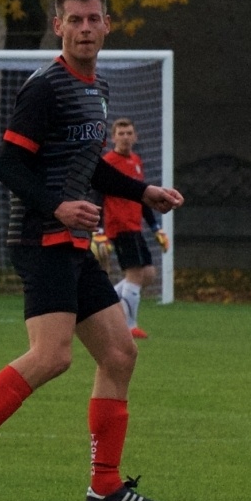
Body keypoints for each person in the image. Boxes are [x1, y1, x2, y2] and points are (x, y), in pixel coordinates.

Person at [0, 0, 184, 501]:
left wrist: (145, 192)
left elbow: (93, 171)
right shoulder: (45, 87)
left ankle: (105, 485)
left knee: (119, 352)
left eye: (94, 19)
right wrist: (59, 207)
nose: (85, 28)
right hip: (40, 237)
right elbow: (8, 165)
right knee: (52, 354)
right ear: (59, 26)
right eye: (75, 19)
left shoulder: (98, 90)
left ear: (107, 25)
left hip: (71, 240)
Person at [93, 117, 169, 339]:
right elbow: (96, 195)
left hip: (134, 225)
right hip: (119, 226)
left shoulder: (136, 160)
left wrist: (156, 228)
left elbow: (142, 196)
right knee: (135, 274)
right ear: (113, 137)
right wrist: (98, 231)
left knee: (148, 274)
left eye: (129, 133)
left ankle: (103, 303)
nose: (125, 137)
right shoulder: (107, 162)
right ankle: (129, 326)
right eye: (121, 133)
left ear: (135, 136)